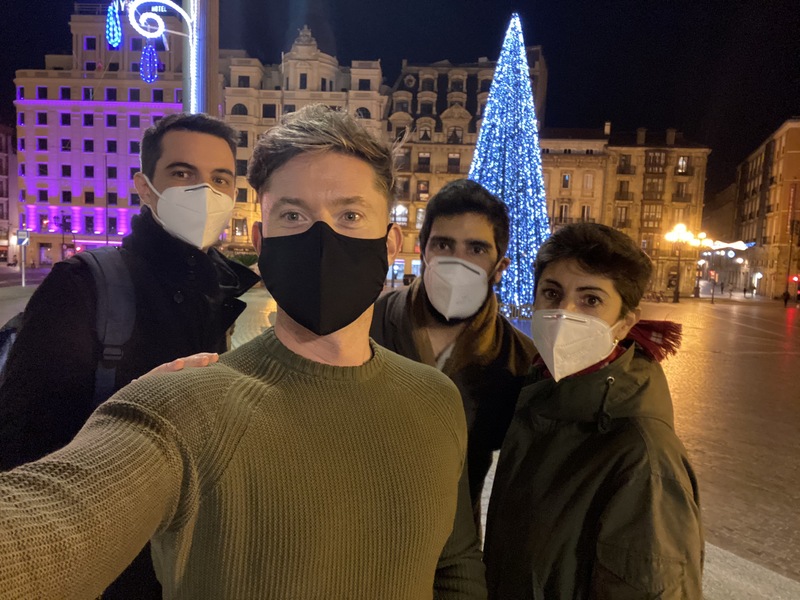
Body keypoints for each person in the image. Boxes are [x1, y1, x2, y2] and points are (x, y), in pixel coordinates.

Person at [0, 105, 486, 599]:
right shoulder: (184, 407)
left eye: (350, 215)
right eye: (293, 215)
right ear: (262, 240)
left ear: (390, 243)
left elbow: (454, 566)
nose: (322, 237)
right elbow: (52, 515)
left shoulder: (435, 400)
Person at [0, 113, 260, 598]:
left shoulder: (221, 291)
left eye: (220, 179)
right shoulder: (84, 286)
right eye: (182, 174)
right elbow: (22, 452)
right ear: (145, 187)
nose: (205, 192)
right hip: (106, 569)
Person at [484, 223, 703, 599]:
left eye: (591, 300)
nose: (564, 311)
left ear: (625, 323)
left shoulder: (642, 453)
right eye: (552, 293)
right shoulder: (540, 395)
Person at [370, 179, 536, 528]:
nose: (458, 261)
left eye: (476, 249)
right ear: (422, 250)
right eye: (444, 244)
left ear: (500, 265)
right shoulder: (367, 325)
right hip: (353, 534)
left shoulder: (518, 361)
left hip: (451, 547)